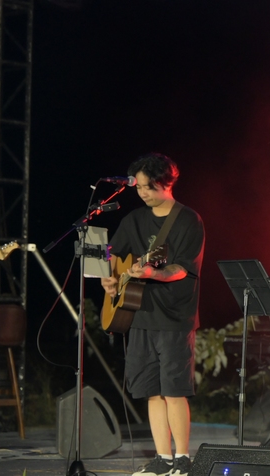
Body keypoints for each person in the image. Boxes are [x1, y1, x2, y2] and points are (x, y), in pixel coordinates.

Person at [100, 154, 204, 476]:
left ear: (166, 183)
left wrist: (152, 273)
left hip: (174, 316)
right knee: (151, 391)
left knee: (174, 390)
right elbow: (111, 252)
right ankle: (163, 458)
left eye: (148, 187)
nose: (142, 193)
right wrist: (110, 277)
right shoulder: (133, 220)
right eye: (139, 187)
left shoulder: (188, 220)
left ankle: (182, 459)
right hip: (139, 314)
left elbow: (182, 268)